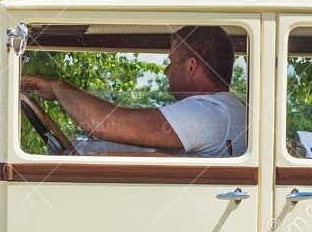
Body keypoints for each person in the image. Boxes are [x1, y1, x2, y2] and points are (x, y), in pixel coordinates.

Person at [19, 25, 246, 157]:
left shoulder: (210, 113)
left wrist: (59, 87)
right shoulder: (226, 109)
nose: (166, 71)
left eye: (171, 61)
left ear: (191, 66)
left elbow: (103, 124)